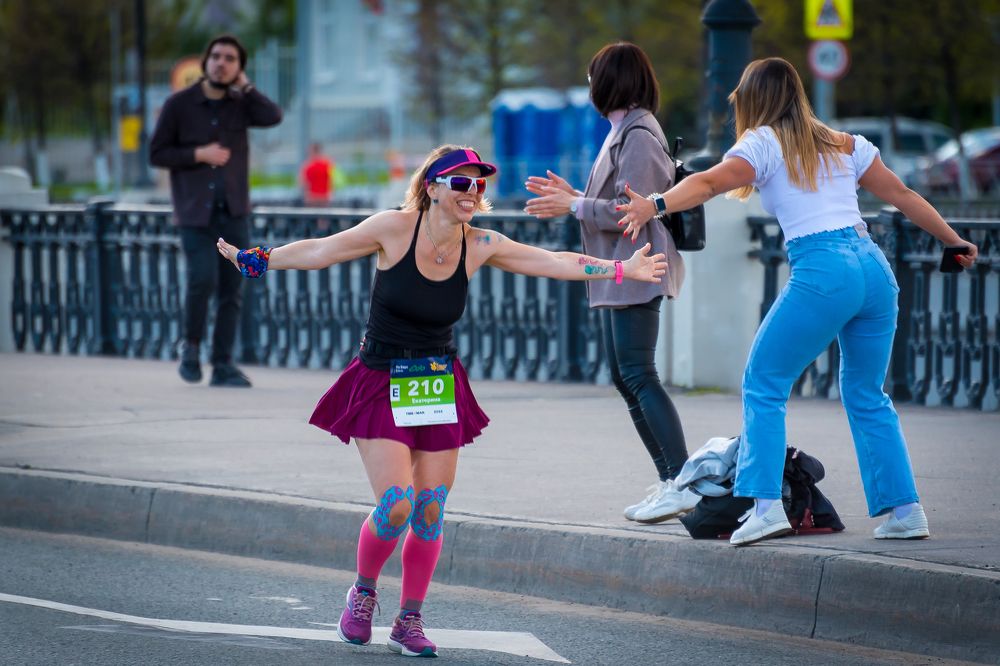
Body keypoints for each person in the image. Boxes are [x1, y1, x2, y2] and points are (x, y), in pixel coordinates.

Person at [216, 145, 667, 657]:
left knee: (429, 509)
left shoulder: (480, 244)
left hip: (434, 382)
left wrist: (620, 270)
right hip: (380, 379)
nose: (472, 193)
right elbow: (322, 250)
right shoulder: (393, 228)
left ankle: (409, 619)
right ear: (432, 187)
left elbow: (553, 261)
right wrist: (260, 260)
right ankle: (362, 593)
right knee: (396, 505)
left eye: (479, 185)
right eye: (461, 183)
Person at [617, 57, 978, 546]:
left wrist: (654, 204)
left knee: (764, 382)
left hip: (824, 268)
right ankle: (906, 510)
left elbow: (709, 182)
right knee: (868, 393)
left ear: (753, 101)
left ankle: (766, 507)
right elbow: (902, 194)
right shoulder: (845, 143)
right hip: (873, 268)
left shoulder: (763, 141)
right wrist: (954, 240)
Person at [523, 42, 695, 524]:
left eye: (591, 78)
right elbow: (617, 199)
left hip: (638, 265)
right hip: (619, 270)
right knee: (626, 377)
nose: (588, 87)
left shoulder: (638, 133)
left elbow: (631, 212)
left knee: (639, 374)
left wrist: (575, 205)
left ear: (609, 82)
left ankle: (682, 481)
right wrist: (576, 197)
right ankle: (670, 481)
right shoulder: (624, 129)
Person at [150, 34, 282, 388]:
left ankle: (222, 364)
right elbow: (157, 153)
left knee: (232, 288)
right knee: (202, 279)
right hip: (195, 215)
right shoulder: (179, 104)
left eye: (230, 59)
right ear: (205, 61)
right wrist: (198, 154)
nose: (222, 63)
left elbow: (273, 116)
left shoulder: (241, 104)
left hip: (234, 212)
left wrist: (247, 87)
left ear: (239, 68)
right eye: (217, 56)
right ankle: (191, 347)